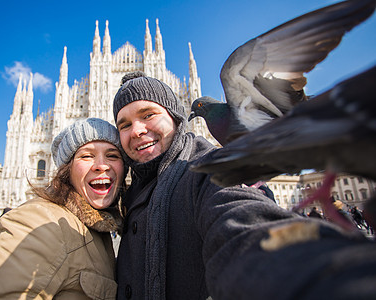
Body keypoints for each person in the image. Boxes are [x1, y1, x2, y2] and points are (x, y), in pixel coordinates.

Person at [113, 72, 376, 299]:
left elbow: (243, 223)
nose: (137, 130)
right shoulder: (129, 189)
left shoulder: (207, 169)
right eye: (124, 124)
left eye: (148, 114)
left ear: (176, 117)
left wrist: (328, 273)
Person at [0, 118, 125, 299]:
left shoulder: (97, 224)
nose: (101, 166)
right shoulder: (38, 222)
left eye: (112, 155)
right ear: (66, 169)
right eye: (86, 155)